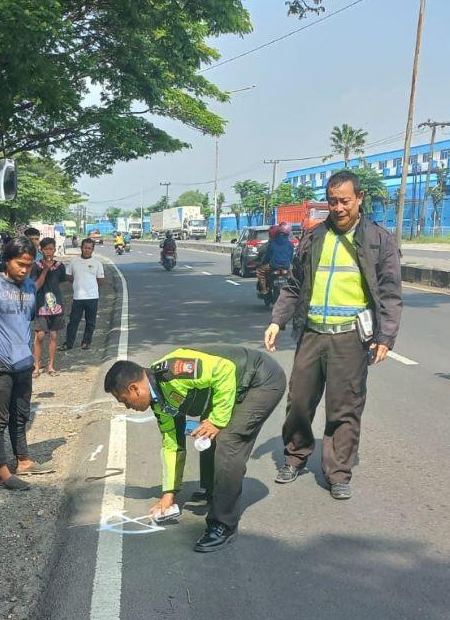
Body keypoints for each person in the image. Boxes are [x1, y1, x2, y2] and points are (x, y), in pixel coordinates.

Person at [265, 170, 403, 501]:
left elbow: (389, 293)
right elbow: (295, 285)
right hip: (312, 333)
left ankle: (338, 471)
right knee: (298, 401)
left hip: (350, 338)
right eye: (332, 201)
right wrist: (277, 321)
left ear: (359, 199)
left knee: (344, 408)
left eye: (344, 200)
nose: (338, 207)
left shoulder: (378, 240)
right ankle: (296, 454)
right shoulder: (314, 238)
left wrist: (385, 337)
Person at [104, 345, 285, 552]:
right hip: (235, 386)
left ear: (134, 389)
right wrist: (169, 494)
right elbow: (172, 443)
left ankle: (222, 525)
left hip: (260, 380)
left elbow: (224, 369)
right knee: (206, 430)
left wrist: (217, 421)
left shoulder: (173, 370)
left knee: (228, 441)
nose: (128, 407)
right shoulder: (159, 401)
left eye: (124, 401)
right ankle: (212, 489)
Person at [0, 236, 53, 491]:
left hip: (23, 362)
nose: (24, 269)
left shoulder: (30, 286)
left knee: (21, 415)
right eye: (20, 263)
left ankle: (24, 460)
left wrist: (31, 357)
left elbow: (26, 323)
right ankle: (2, 470)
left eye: (29, 265)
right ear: (7, 260)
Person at [32, 236, 68, 375]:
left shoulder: (59, 266)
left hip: (55, 305)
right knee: (40, 336)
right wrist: (45, 270)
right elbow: (35, 285)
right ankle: (36, 364)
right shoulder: (36, 266)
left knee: (53, 336)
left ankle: (51, 365)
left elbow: (61, 283)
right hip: (41, 305)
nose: (48, 252)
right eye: (46, 249)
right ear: (41, 250)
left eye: (51, 249)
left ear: (54, 250)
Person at [64, 237, 105, 350]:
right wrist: (78, 282)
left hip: (92, 297)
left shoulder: (97, 263)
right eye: (85, 248)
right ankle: (69, 343)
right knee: (73, 321)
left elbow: (100, 281)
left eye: (89, 248)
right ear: (81, 248)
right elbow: (68, 276)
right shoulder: (74, 261)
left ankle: (86, 342)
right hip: (78, 297)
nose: (87, 250)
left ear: (92, 250)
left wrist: (90, 286)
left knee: (90, 322)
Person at [256, 223, 296, 297]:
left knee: (260, 271)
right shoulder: (290, 244)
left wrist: (264, 262)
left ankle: (264, 290)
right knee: (293, 278)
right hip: (286, 267)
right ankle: (294, 292)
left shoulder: (272, 243)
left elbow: (268, 256)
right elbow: (291, 257)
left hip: (273, 266)